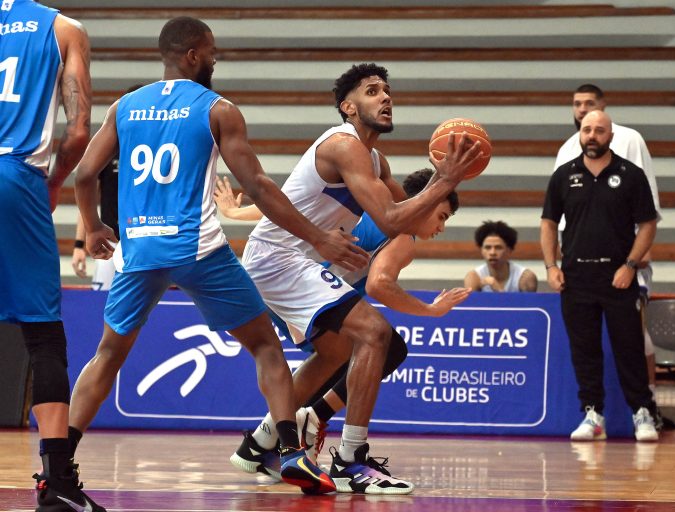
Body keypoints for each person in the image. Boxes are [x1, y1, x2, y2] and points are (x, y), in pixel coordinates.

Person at [67, 16, 370, 496]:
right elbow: (259, 187)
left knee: (107, 355)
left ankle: (59, 462)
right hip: (198, 250)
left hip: (139, 250)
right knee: (265, 347)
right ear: (192, 55)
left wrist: (92, 226)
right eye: (211, 51)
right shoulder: (218, 109)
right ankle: (290, 452)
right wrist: (317, 237)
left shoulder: (125, 106)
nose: (215, 58)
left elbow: (84, 174)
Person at [238, 62, 480, 494]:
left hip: (291, 260)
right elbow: (390, 218)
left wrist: (445, 183)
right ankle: (351, 460)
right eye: (372, 91)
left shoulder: (374, 160)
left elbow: (407, 221)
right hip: (278, 258)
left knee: (337, 352)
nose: (385, 97)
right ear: (348, 107)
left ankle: (261, 443)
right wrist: (443, 181)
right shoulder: (343, 145)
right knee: (375, 333)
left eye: (387, 90)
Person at [217, 169, 470, 477]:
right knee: (385, 346)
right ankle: (313, 423)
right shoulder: (404, 237)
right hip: (304, 289)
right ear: (425, 203)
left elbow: (290, 208)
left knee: (338, 357)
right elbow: (379, 285)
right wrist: (430, 310)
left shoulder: (367, 205)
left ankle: (261, 442)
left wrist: (234, 213)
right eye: (441, 216)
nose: (441, 227)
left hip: (275, 286)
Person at [0, 1, 102, 510]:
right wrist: (54, 181)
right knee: (43, 332)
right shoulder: (62, 28)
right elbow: (79, 131)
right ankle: (56, 479)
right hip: (15, 176)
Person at [540, 110, 659, 443]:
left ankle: (642, 413)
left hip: (618, 277)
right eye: (587, 129)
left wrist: (630, 265)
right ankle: (593, 416)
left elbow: (648, 224)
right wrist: (551, 267)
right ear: (580, 133)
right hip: (576, 277)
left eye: (599, 130)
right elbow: (548, 223)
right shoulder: (563, 175)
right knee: (584, 351)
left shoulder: (630, 175)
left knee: (629, 348)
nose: (592, 135)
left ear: (610, 136)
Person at [72, 84, 143, 291]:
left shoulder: (155, 150)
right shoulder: (107, 149)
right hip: (110, 243)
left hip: (144, 241)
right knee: (102, 304)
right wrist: (79, 244)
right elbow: (89, 197)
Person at [464, 220, 537, 292]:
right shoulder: (474, 277)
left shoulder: (525, 277)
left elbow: (529, 300)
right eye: (487, 247)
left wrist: (499, 290)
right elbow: (471, 300)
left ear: (509, 250)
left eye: (498, 248)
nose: (492, 253)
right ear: (481, 250)